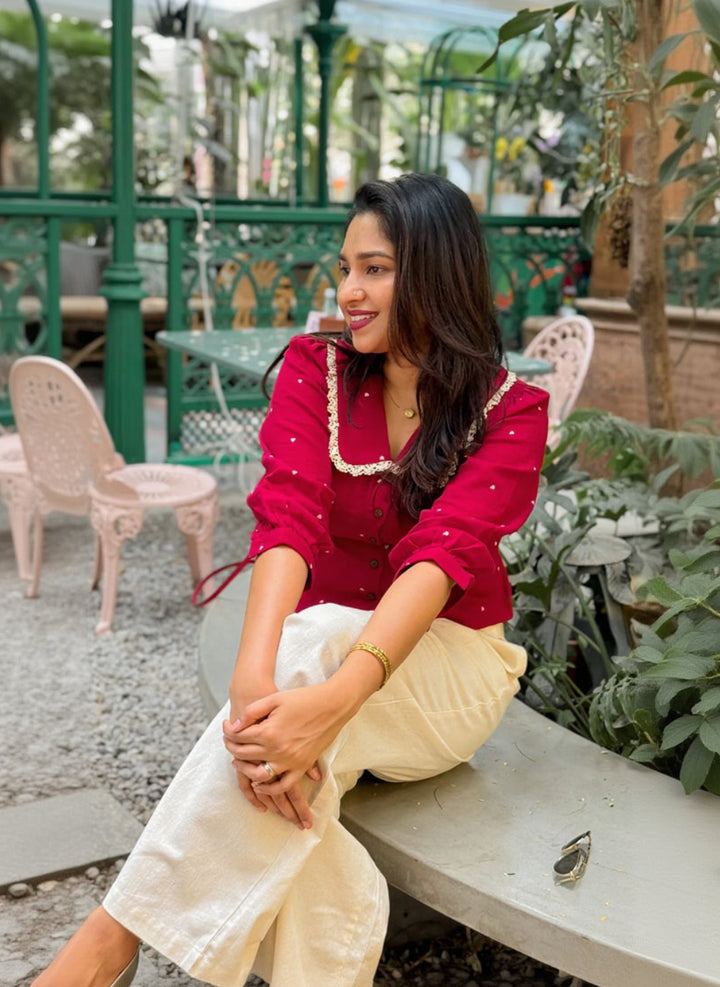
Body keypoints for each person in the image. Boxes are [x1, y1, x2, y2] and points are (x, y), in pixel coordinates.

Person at [32, 172, 549, 987]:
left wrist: (336, 696)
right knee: (292, 779)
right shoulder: (318, 370)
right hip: (316, 656)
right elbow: (289, 517)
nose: (348, 291)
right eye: (345, 268)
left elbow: (441, 555)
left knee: (313, 658)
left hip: (448, 673)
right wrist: (251, 678)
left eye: (374, 269)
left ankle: (106, 945)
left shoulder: (512, 410)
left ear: (436, 272)